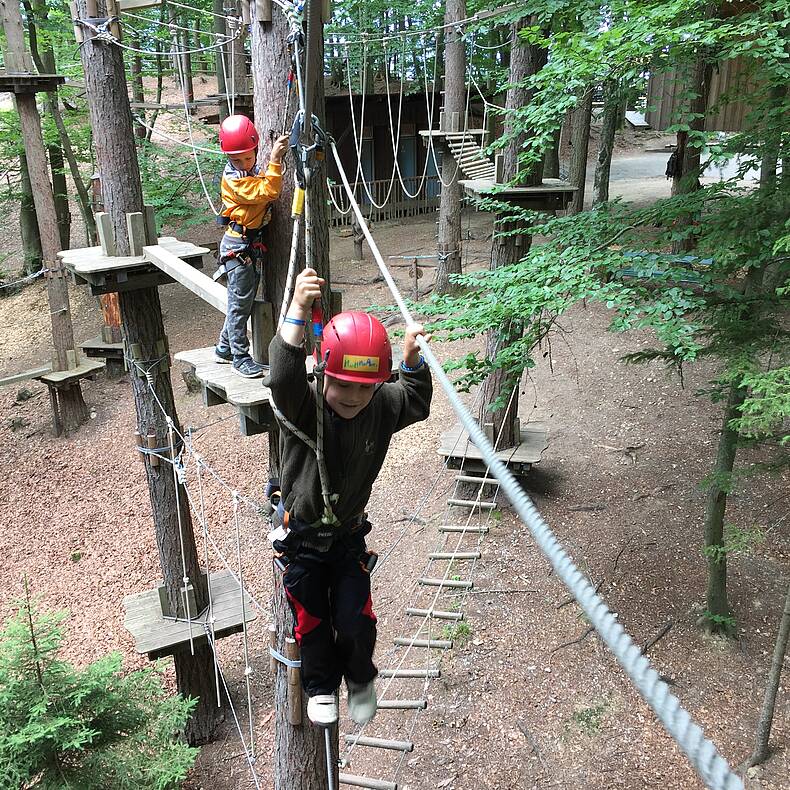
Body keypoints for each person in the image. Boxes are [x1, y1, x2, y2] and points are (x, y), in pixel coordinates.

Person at [266, 268, 432, 727]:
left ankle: (359, 679)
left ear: (377, 383)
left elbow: (415, 401)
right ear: (322, 373)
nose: (352, 396)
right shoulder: (305, 405)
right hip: (300, 540)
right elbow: (281, 376)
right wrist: (298, 309)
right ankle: (320, 688)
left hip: (347, 539)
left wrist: (412, 361)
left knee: (355, 620)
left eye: (364, 386)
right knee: (313, 621)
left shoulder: (380, 405)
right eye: (342, 384)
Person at [214, 115, 289, 378]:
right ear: (229, 159)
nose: (244, 163)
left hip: (247, 242)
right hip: (238, 244)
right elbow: (269, 191)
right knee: (239, 303)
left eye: (249, 157)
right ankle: (239, 356)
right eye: (237, 159)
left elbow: (262, 182)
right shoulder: (235, 179)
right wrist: (276, 160)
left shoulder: (250, 171)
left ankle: (224, 348)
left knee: (241, 300)